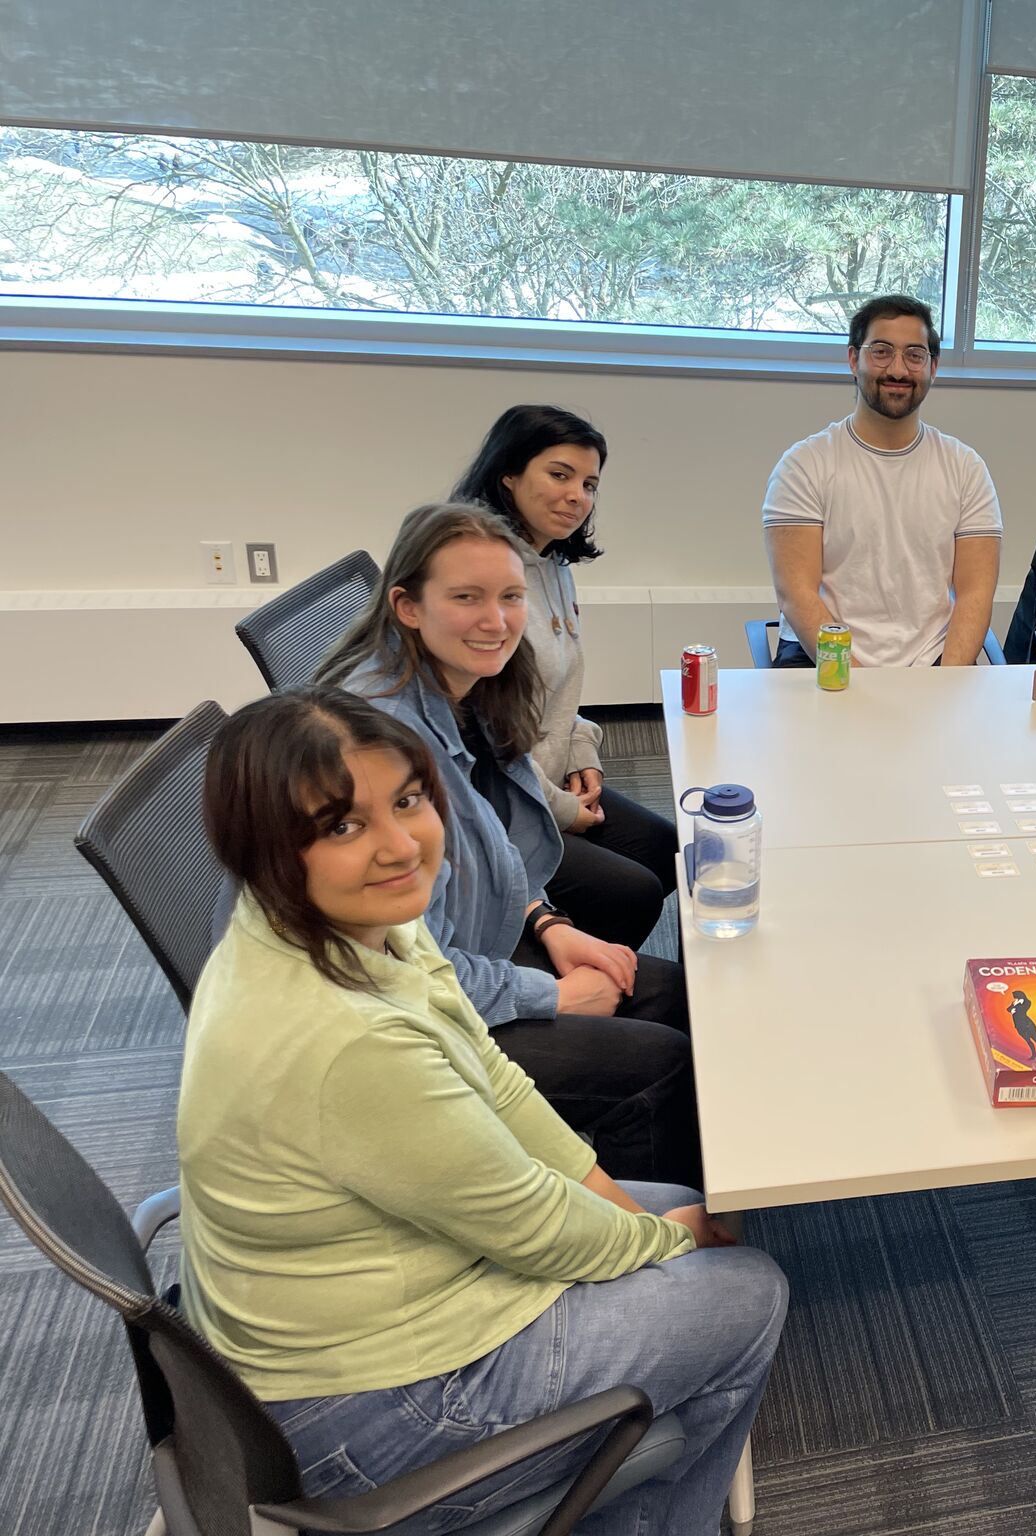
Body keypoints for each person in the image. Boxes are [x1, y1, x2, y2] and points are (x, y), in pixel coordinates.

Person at [181, 690, 784, 1534]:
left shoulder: (359, 922)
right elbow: (535, 1228)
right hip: (366, 1409)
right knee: (747, 1291)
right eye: (343, 826)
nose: (400, 846)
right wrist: (668, 1241)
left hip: (362, 1306)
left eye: (407, 800)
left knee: (656, 1214)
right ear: (269, 851)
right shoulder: (344, 1041)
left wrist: (613, 1197)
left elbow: (492, 1076)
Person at [316, 504, 700, 1187]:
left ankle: (646, 1186)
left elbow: (492, 847)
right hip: (396, 1026)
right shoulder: (382, 751)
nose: (496, 622)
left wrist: (545, 922)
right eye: (466, 598)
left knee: (670, 991)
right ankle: (640, 1240)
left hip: (467, 947)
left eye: (510, 597)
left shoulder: (465, 691)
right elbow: (399, 969)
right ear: (406, 605)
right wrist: (545, 997)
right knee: (661, 1065)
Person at [452, 403, 680, 951]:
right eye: (559, 475)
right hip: (501, 803)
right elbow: (487, 748)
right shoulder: (487, 584)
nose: (578, 495)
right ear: (508, 475)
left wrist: (584, 754)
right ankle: (555, 976)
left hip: (548, 776)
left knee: (665, 847)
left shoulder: (551, 564)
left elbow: (559, 690)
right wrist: (561, 809)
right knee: (634, 891)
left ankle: (576, 950)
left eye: (590, 483)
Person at [762, 294, 1002, 667]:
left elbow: (975, 594)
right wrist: (863, 690)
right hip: (824, 657)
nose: (898, 370)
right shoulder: (804, 465)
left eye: (914, 355)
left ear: (933, 368)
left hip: (933, 660)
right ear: (854, 359)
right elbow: (797, 595)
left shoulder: (965, 467)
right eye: (882, 351)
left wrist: (944, 684)